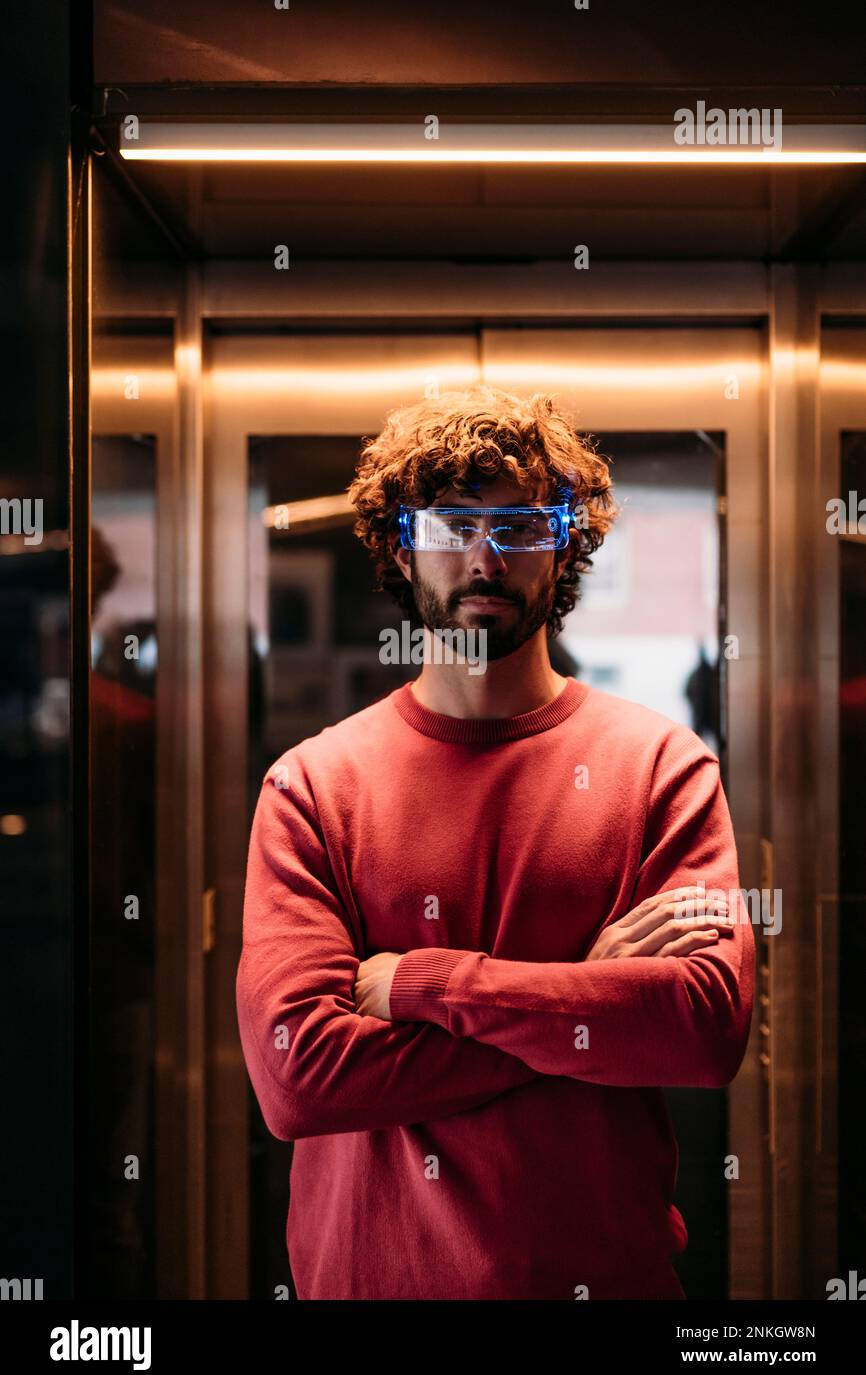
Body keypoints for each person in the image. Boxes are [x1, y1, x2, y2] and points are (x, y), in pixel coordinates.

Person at [236, 386, 755, 1300]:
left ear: (564, 544)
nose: (485, 555)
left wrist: (426, 985)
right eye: (450, 525)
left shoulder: (662, 768)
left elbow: (704, 1025)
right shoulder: (313, 786)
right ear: (403, 545)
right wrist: (583, 997)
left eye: (519, 524)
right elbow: (299, 1079)